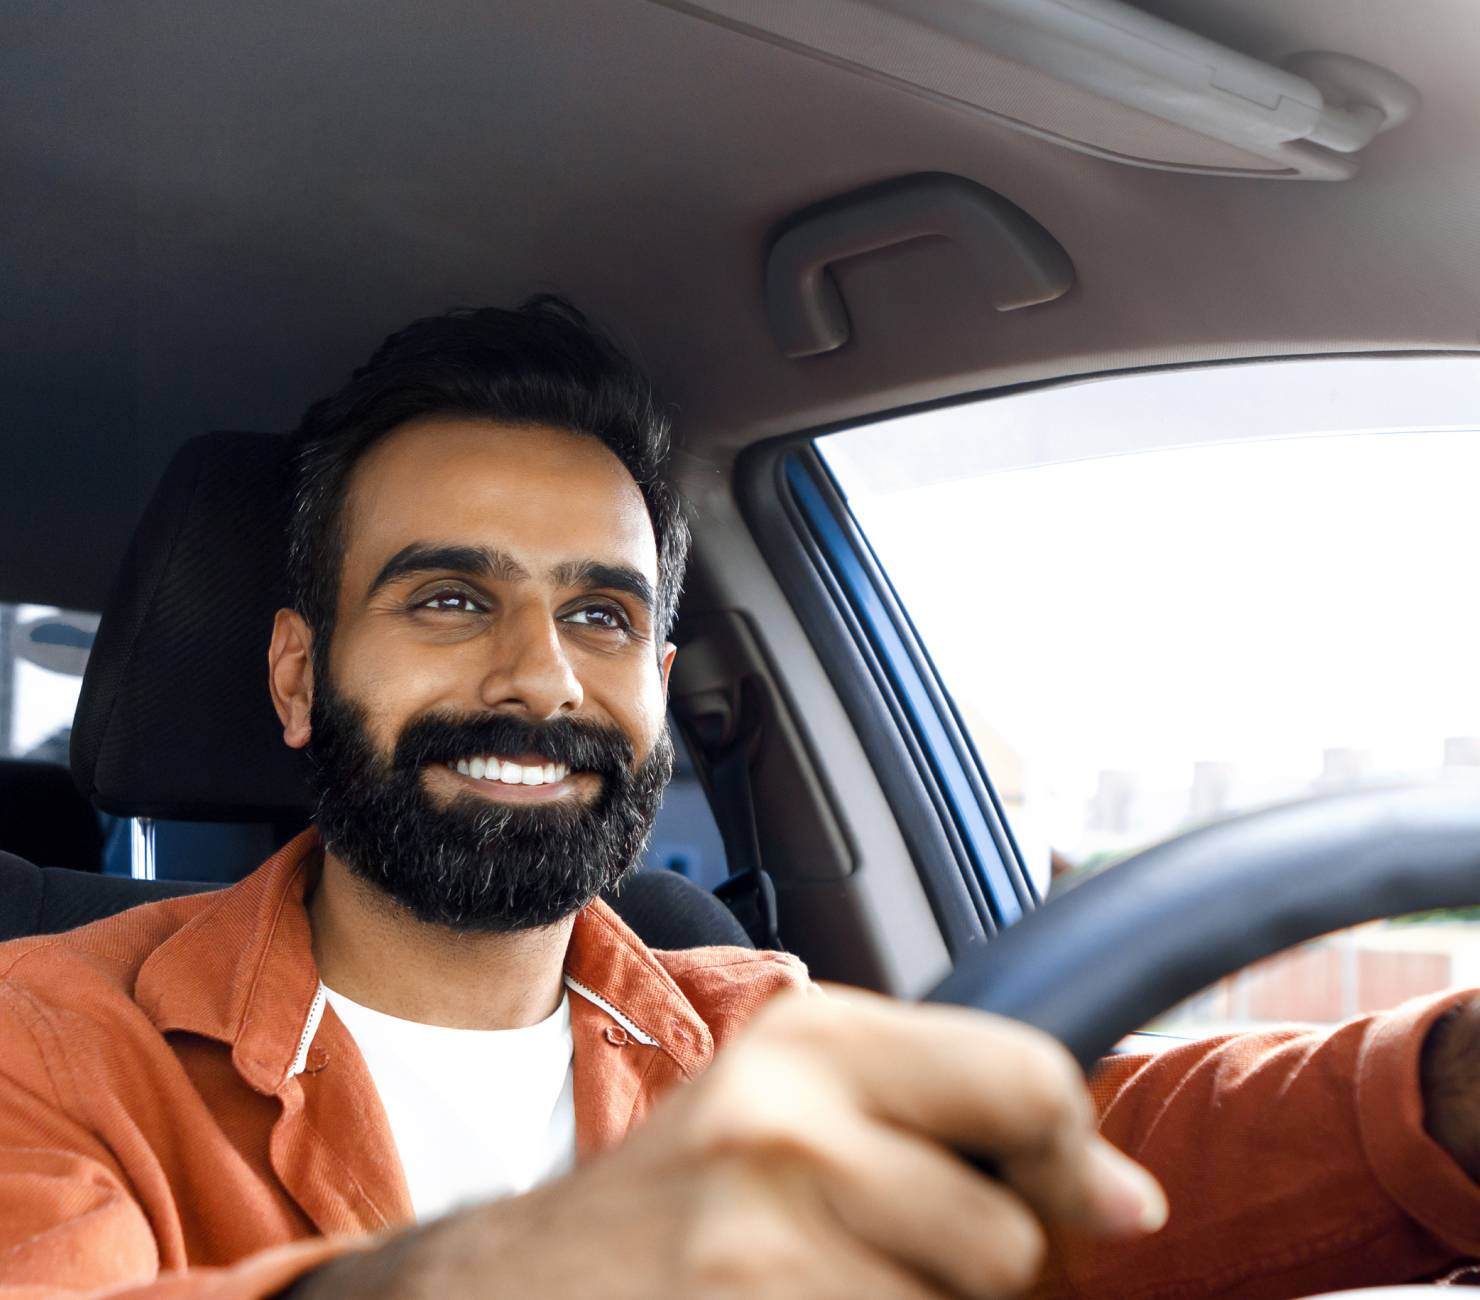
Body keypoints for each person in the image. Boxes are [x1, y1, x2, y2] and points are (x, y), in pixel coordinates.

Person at [0, 299, 1477, 1300]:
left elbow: (1096, 1135)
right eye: (450, 598)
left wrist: (1445, 1093)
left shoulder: (751, 1022)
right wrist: (543, 1266)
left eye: (602, 617)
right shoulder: (46, 1036)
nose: (543, 682)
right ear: (297, 677)